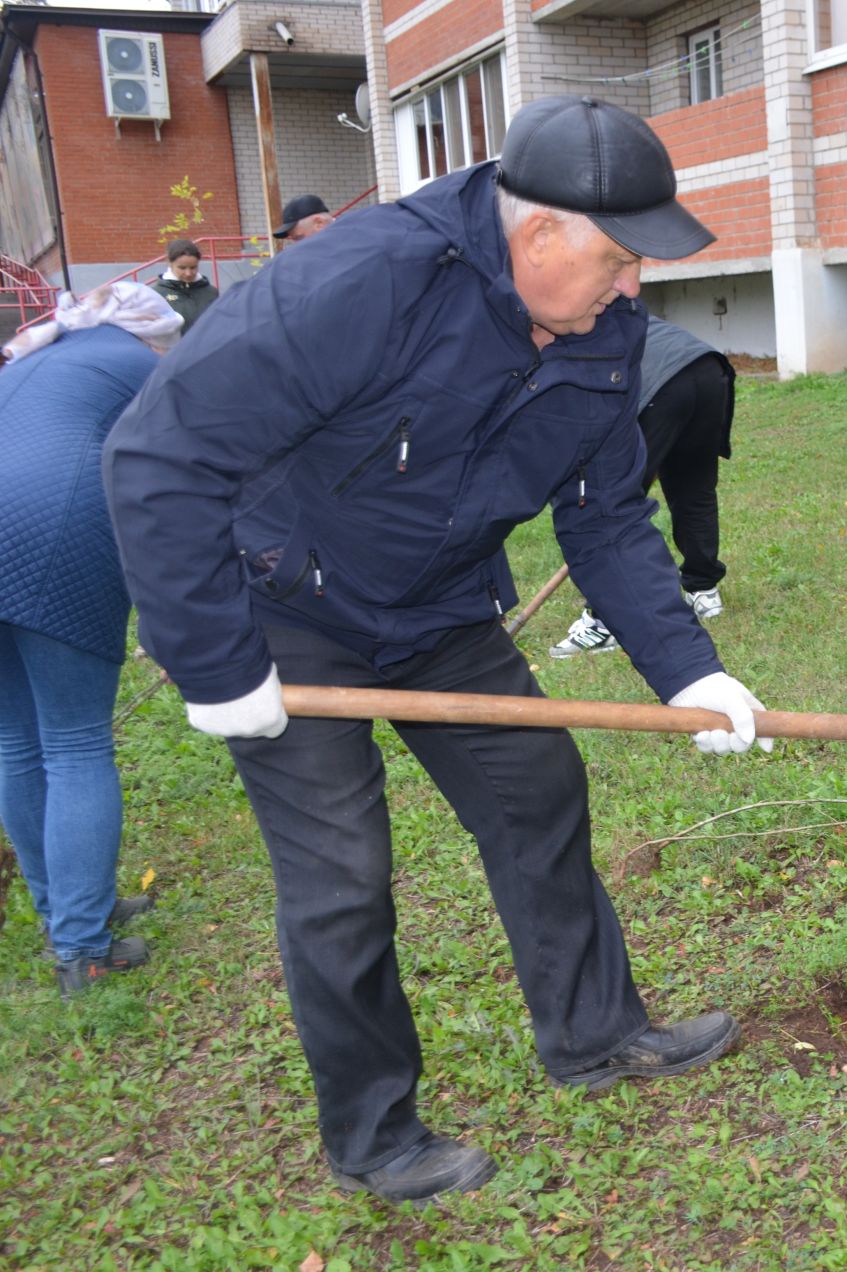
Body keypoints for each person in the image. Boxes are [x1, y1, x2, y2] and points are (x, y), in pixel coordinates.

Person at [103, 96, 771, 1204]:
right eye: (618, 259)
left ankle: (597, 1034)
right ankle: (376, 1135)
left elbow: (605, 519)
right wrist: (221, 670)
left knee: (539, 791)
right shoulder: (360, 283)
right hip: (289, 610)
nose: (633, 288)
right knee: (342, 874)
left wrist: (688, 668)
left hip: (441, 612)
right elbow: (158, 456)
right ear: (538, 233)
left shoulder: (606, 339)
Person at [0, 282, 181, 997]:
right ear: (151, 335)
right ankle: (85, 946)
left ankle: (66, 915)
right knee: (75, 742)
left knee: (16, 740)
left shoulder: (40, 358)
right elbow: (177, 481)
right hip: (48, 528)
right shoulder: (142, 366)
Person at [551, 317, 734, 658]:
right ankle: (703, 589)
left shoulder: (555, 326)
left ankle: (604, 622)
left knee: (611, 506)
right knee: (694, 487)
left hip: (660, 381)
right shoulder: (604, 309)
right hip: (708, 367)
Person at [148, 239, 219, 334]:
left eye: (193, 267)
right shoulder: (156, 294)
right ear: (169, 262)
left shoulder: (211, 293)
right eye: (182, 268)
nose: (188, 273)